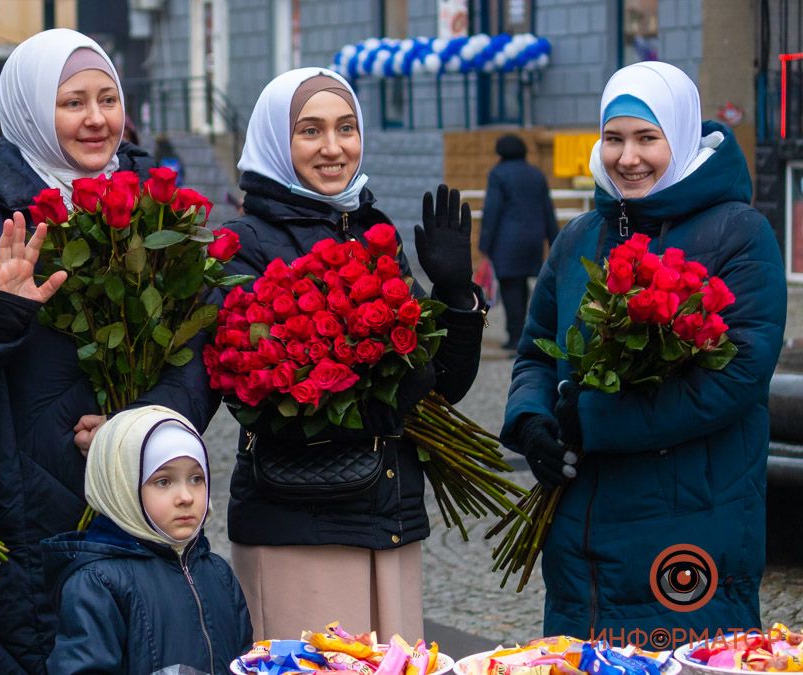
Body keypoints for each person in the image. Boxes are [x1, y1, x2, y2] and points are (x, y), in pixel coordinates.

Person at [0, 28, 214, 673]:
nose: (96, 119)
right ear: (29, 107)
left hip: (145, 496)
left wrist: (141, 426)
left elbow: (197, 355)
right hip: (8, 507)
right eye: (73, 101)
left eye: (108, 99)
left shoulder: (159, 218)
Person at [502, 62, 785, 641]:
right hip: (581, 524)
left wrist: (594, 420)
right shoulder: (581, 237)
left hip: (691, 514)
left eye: (646, 138)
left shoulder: (739, 233)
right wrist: (532, 423)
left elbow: (737, 376)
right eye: (613, 139)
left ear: (678, 138)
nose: (627, 157)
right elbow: (536, 351)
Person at [218, 67, 486, 641]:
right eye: (310, 131)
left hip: (388, 516)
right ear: (275, 139)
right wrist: (391, 390)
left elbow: (443, 390)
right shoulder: (245, 245)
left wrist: (456, 297)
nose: (333, 148)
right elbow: (255, 395)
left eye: (346, 128)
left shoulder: (373, 231)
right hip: (297, 521)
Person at [43, 405, 252, 673]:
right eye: (163, 481)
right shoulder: (98, 583)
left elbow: (246, 660)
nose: (186, 497)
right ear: (121, 486)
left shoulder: (218, 572)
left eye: (197, 478)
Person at [478, 134, 560, 351]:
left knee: (511, 286)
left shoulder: (498, 174)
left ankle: (515, 336)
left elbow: (492, 210)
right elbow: (547, 210)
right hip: (534, 238)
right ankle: (524, 331)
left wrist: (484, 243)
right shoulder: (536, 174)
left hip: (507, 240)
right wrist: (555, 240)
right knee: (523, 284)